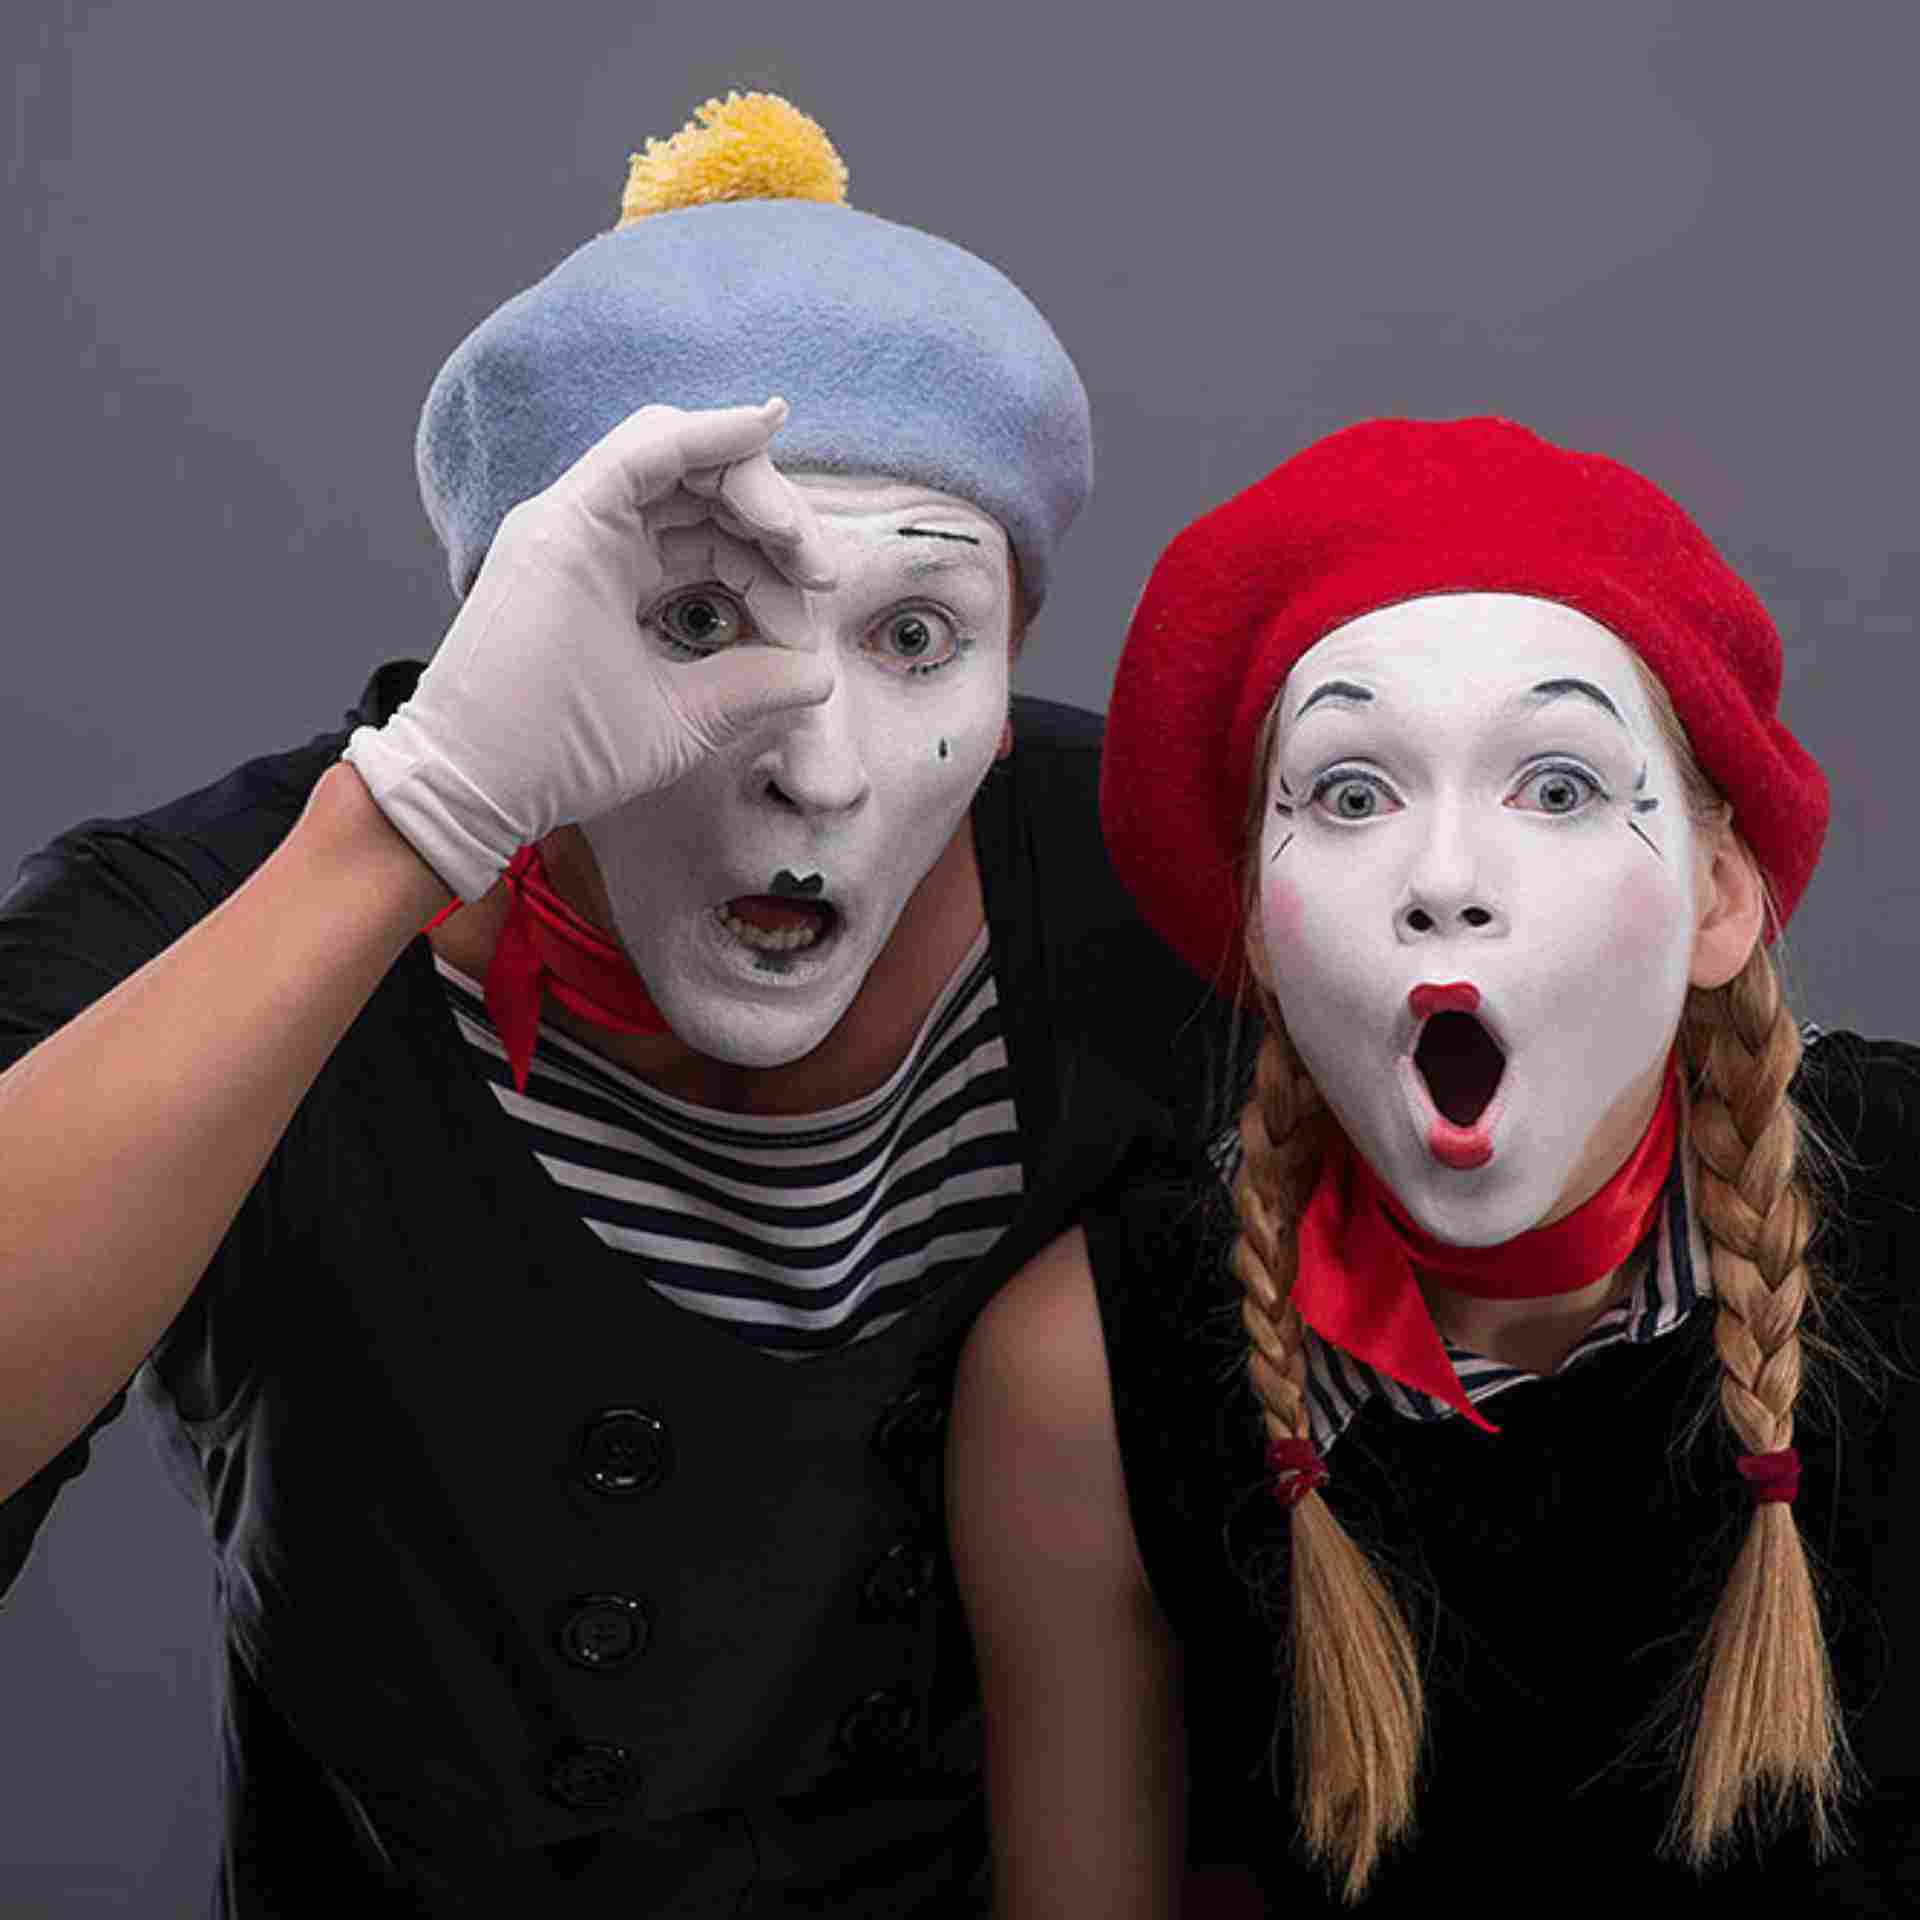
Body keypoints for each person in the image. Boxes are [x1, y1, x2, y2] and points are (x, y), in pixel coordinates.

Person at [0, 94, 1224, 1916]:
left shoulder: (1156, 897)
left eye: (913, 638)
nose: (815, 766)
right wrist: (416, 817)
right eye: (697, 621)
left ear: (1012, 660)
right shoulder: (207, 924)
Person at [950, 417, 1920, 1914]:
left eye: (1559, 787)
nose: (1446, 882)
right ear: (1260, 929)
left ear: (1717, 897)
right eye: (1350, 795)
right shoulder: (1086, 1366)